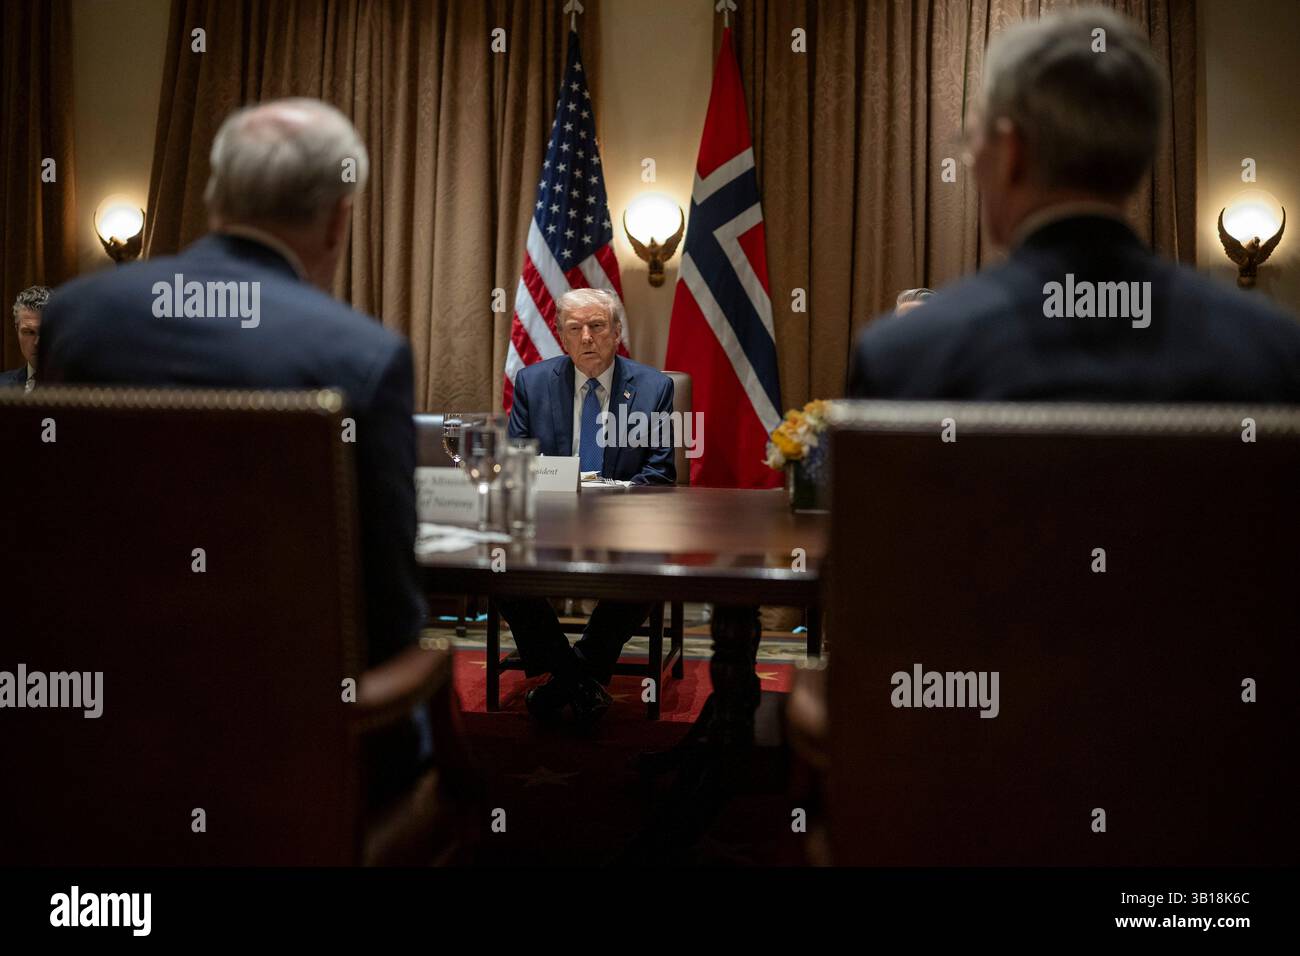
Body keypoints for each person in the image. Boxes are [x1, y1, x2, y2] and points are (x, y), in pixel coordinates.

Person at [38, 99, 428, 799]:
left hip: (96, 739)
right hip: (291, 759)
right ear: (340, 217)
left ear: (216, 197)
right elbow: (390, 615)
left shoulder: (75, 317)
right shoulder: (363, 356)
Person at [848, 8, 1300, 401]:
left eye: (971, 142)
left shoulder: (902, 358)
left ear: (1012, 153)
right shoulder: (1274, 352)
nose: (970, 162)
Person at [504, 287, 676, 723]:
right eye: (574, 328)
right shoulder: (533, 382)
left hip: (623, 523)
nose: (586, 338)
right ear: (561, 336)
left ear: (616, 332)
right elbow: (517, 464)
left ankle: (565, 678)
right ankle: (579, 679)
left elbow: (659, 474)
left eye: (597, 327)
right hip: (550, 520)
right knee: (499, 567)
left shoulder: (654, 389)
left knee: (645, 571)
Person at [3, 286, 48, 390]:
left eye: (44, 331)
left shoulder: (82, 388)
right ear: (17, 330)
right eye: (29, 332)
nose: (37, 342)